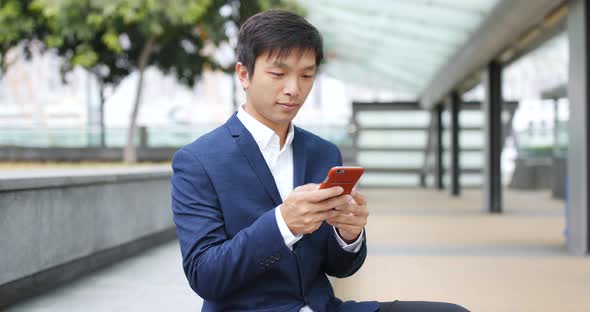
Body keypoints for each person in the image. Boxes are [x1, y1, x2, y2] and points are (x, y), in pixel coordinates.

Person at [171, 10, 469, 312]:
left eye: (306, 75)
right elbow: (204, 275)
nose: (294, 89)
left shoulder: (323, 153)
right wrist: (282, 224)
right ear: (244, 75)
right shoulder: (198, 161)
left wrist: (348, 235)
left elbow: (340, 268)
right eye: (278, 74)